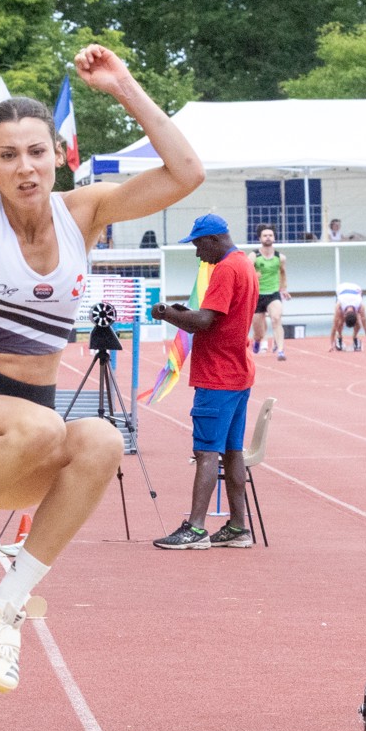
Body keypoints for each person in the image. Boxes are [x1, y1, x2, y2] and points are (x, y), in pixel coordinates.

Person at [0, 0, 202, 692]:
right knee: (43, 426)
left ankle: (5, 606)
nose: (25, 168)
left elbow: (186, 173)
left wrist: (124, 87)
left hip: (31, 439)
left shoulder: (82, 213)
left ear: (57, 157)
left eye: (36, 152)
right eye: (8, 156)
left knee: (101, 438)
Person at [152, 215, 256, 552]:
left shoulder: (225, 269)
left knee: (206, 451)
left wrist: (167, 313)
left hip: (218, 374)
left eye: (199, 244)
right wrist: (185, 313)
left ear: (213, 239)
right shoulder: (245, 264)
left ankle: (196, 528)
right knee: (232, 451)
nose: (198, 253)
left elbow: (203, 322)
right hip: (238, 372)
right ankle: (238, 527)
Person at [249, 226, 286, 362]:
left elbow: (282, 272)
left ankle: (280, 350)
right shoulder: (254, 256)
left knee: (276, 318)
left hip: (273, 293)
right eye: (265, 235)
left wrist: (283, 288)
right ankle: (257, 341)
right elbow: (245, 272)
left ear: (274, 238)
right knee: (258, 332)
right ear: (260, 238)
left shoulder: (280, 257)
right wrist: (254, 275)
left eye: (270, 235)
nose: (268, 237)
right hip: (257, 295)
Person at [331, 281, 366, 351]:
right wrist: (331, 345)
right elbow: (334, 326)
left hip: (357, 289)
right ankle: (339, 337)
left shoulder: (361, 307)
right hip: (341, 289)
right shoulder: (339, 306)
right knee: (340, 321)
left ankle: (355, 337)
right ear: (345, 314)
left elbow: (365, 327)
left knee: (359, 323)